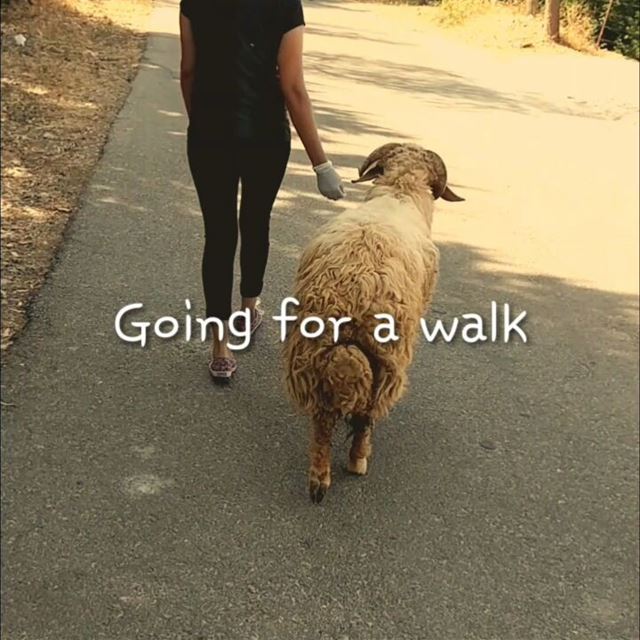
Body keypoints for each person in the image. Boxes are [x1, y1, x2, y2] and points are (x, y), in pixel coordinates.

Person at [179, 0, 345, 381]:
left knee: (218, 235)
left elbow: (188, 72)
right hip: (265, 137)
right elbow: (292, 87)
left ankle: (220, 348)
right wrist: (322, 164)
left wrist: (203, 123)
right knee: (255, 221)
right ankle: (248, 308)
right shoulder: (285, 3)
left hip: (208, 137)